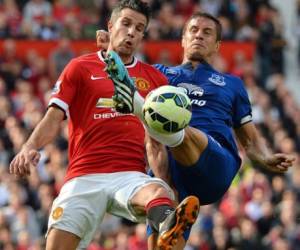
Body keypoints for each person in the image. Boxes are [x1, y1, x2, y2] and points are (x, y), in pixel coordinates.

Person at [9, 1, 200, 250]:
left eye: (139, 28)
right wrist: (29, 146)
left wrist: (165, 186)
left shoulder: (155, 80)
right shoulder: (80, 67)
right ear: (110, 26)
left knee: (158, 194)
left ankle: (167, 224)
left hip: (129, 175)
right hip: (83, 176)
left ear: (143, 35)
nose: (131, 31)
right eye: (126, 23)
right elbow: (53, 117)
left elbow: (154, 141)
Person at [97, 11, 295, 249]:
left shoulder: (232, 84)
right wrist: (109, 52)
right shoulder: (160, 74)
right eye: (193, 30)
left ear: (217, 45)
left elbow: (249, 138)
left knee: (164, 115)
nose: (199, 36)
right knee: (160, 241)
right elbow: (121, 86)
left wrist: (265, 158)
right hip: (173, 172)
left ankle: (163, 184)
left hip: (215, 166)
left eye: (207, 32)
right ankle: (166, 203)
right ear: (182, 39)